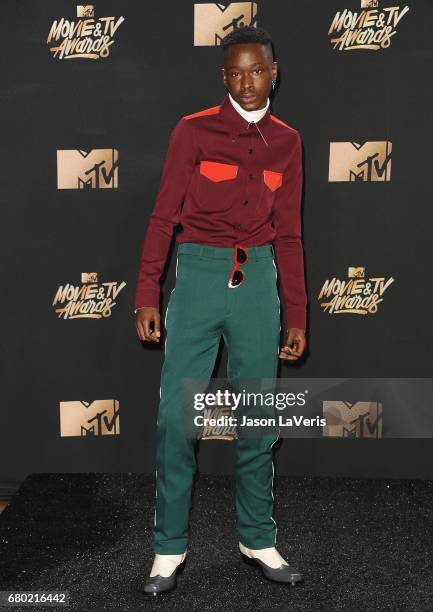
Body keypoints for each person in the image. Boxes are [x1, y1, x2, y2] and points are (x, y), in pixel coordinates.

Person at [134, 25, 307, 596]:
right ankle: (168, 547)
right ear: (223, 76)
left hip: (258, 280)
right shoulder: (193, 131)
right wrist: (147, 294)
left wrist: (298, 313)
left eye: (256, 71)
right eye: (234, 73)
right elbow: (163, 217)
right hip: (201, 276)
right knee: (174, 418)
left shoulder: (288, 141)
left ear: (273, 72)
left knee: (257, 415)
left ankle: (257, 537)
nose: (246, 82)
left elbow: (291, 237)